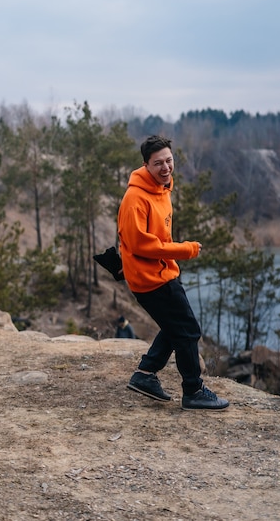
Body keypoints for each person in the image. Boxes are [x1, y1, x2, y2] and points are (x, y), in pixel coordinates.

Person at [118, 135, 229, 410]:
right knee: (188, 331)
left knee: (175, 327)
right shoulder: (135, 198)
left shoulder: (162, 189)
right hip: (149, 279)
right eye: (158, 163)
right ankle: (193, 390)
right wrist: (184, 250)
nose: (166, 167)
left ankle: (144, 374)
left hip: (162, 272)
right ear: (145, 165)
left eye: (169, 160)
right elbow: (140, 244)